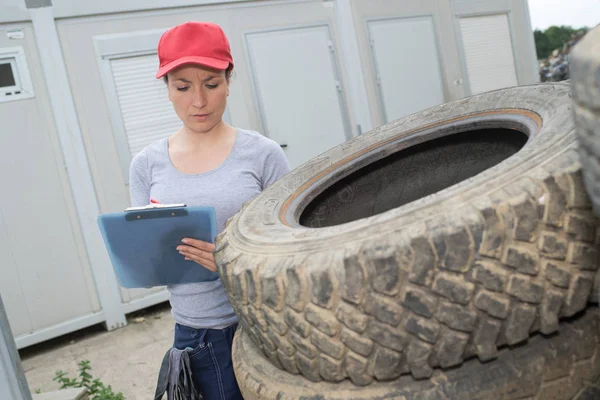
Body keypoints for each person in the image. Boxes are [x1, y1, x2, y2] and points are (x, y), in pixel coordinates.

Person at [129, 21, 290, 399]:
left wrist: (231, 261)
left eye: (211, 84)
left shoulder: (263, 154)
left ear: (229, 81)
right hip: (193, 337)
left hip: (261, 328)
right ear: (167, 90)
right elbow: (147, 256)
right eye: (182, 87)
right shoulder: (147, 164)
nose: (198, 101)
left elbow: (293, 248)